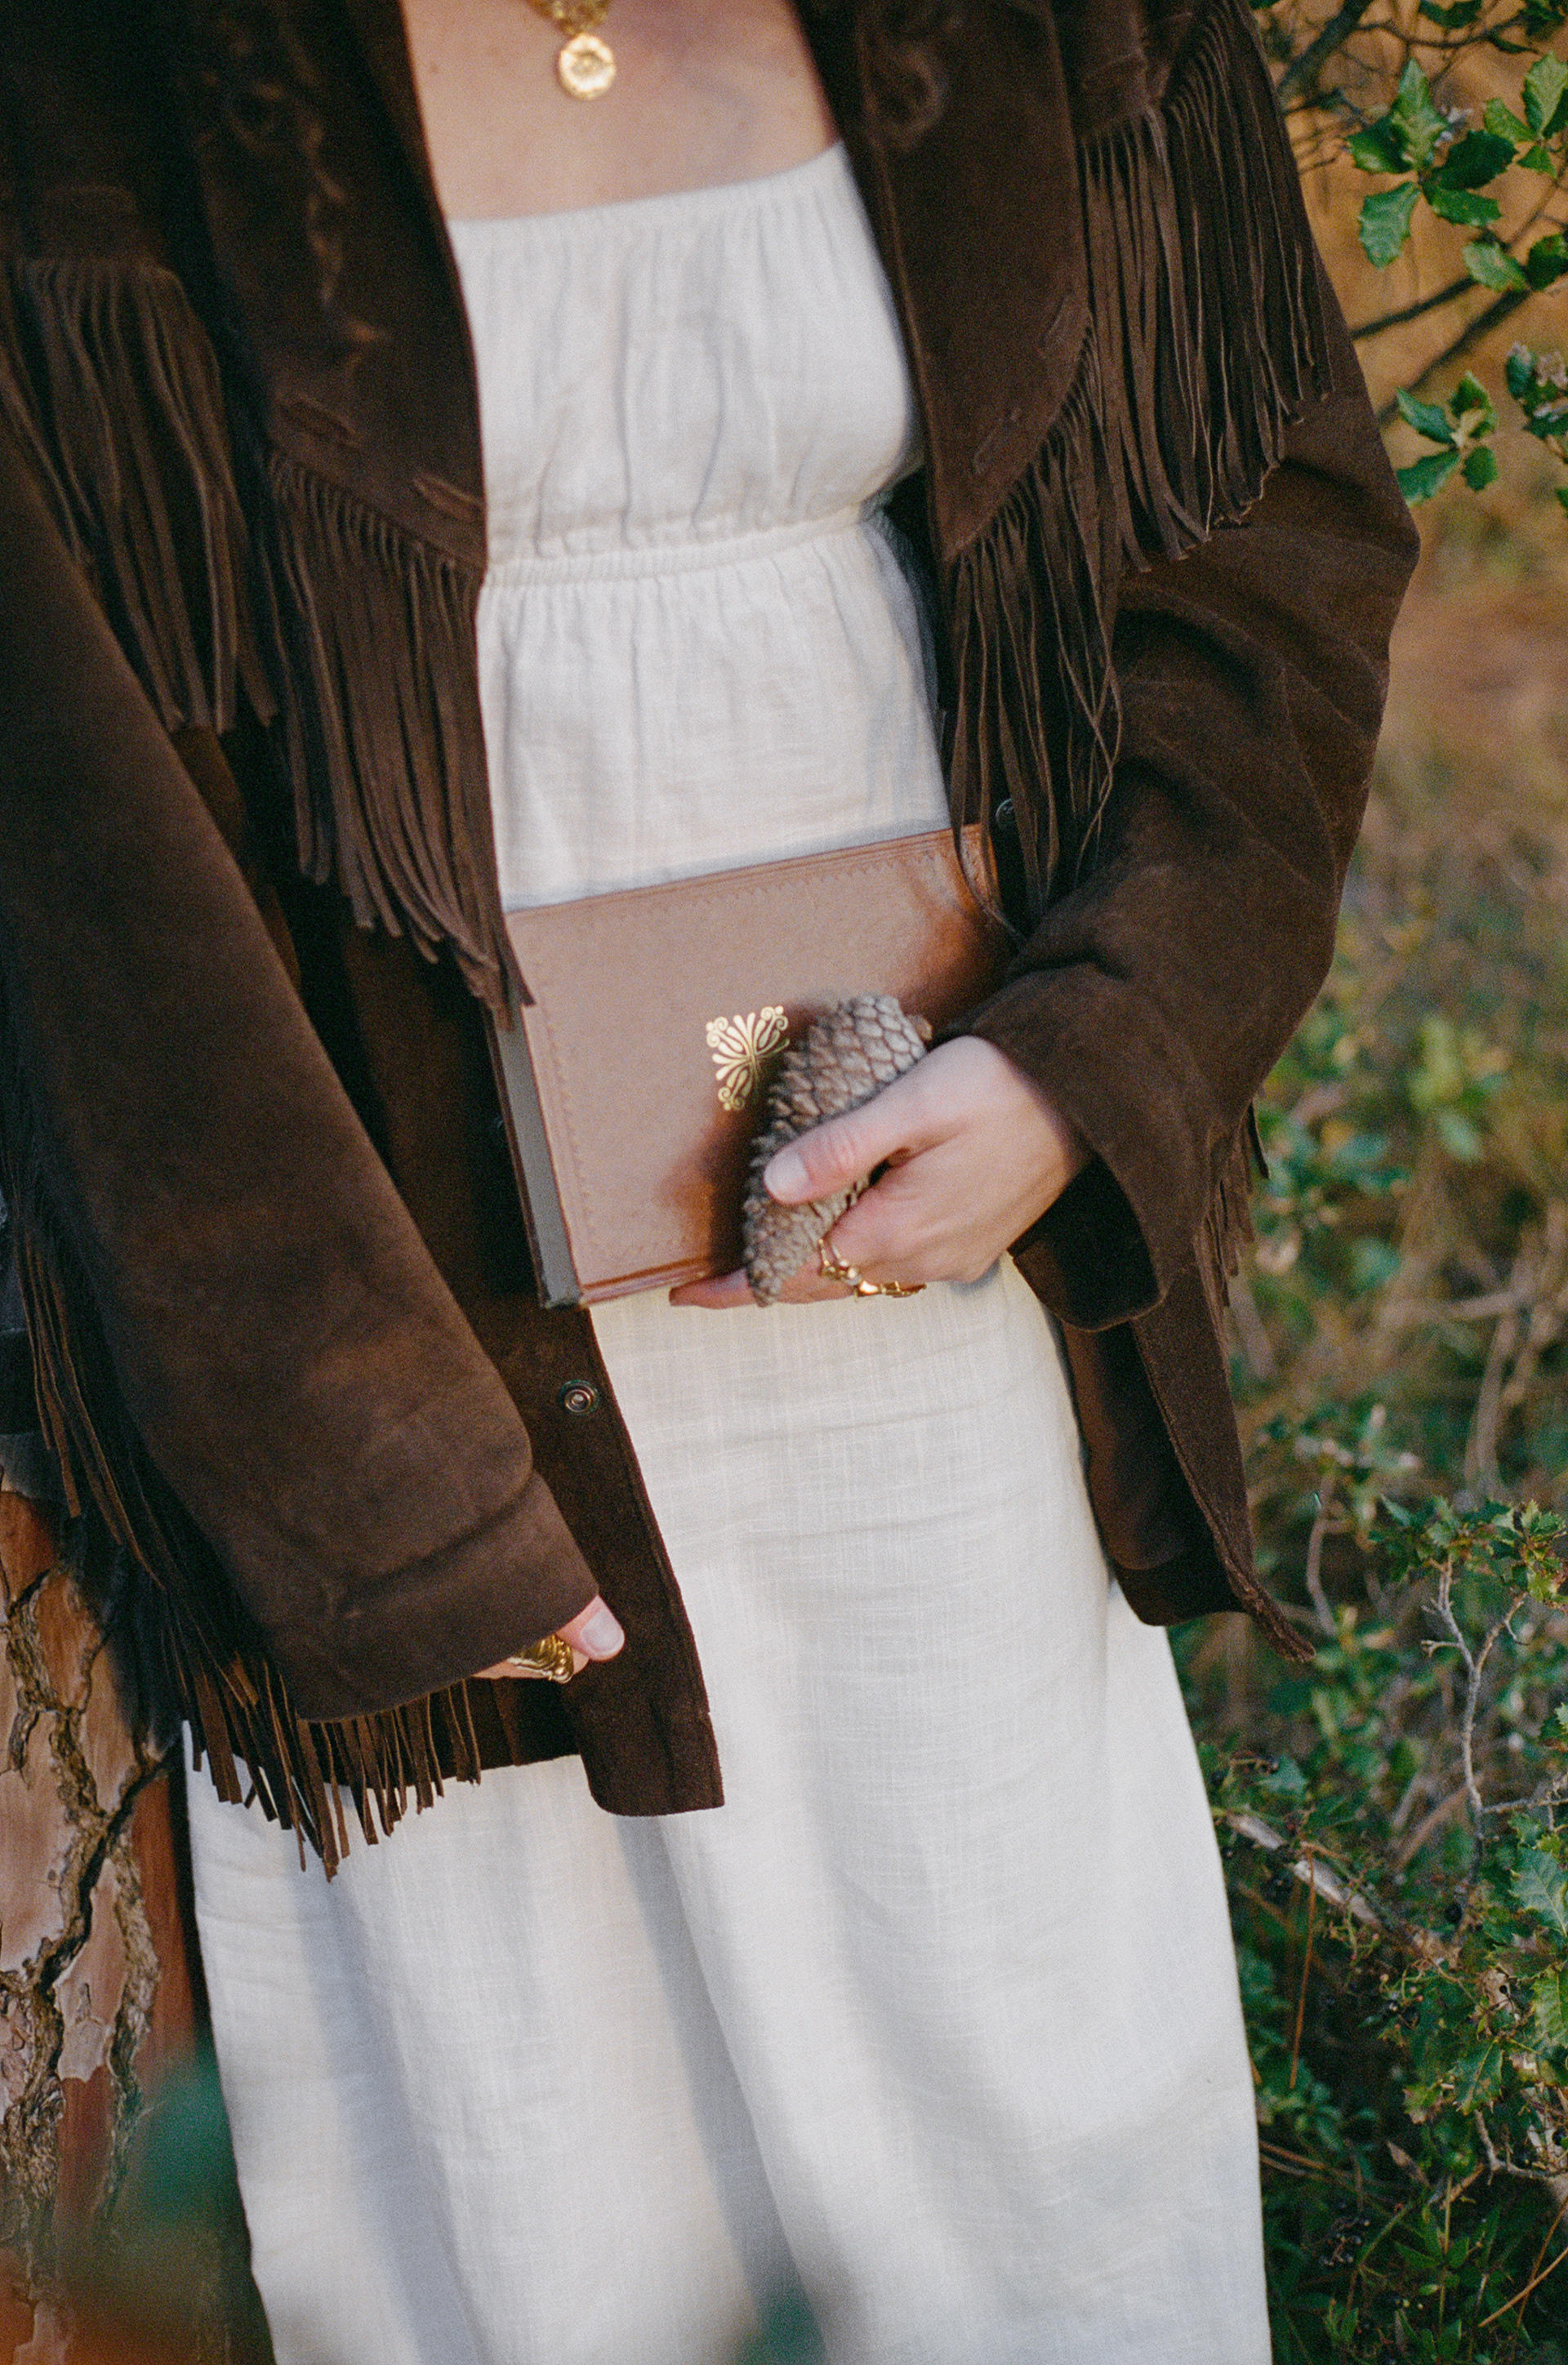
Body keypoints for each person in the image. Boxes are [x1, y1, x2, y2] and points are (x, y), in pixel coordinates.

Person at [0, 0, 1418, 2358]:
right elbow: (69, 829)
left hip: (936, 1281)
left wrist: (1094, 1060)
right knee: (556, 2193)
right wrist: (362, 1467)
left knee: (1034, 2149)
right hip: (399, 1318)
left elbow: (1269, 534)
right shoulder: (92, 67)